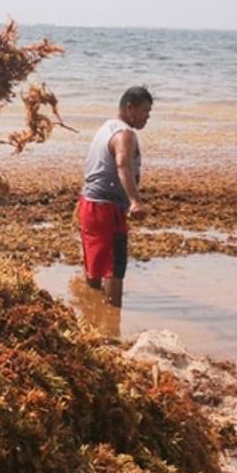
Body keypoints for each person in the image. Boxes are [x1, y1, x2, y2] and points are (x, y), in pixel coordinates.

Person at [77, 86, 153, 308]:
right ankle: (112, 317)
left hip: (89, 203)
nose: (147, 117)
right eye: (145, 111)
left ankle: (93, 312)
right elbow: (122, 164)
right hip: (106, 208)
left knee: (95, 261)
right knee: (114, 267)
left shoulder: (106, 128)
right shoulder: (125, 135)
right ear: (130, 108)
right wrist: (135, 201)